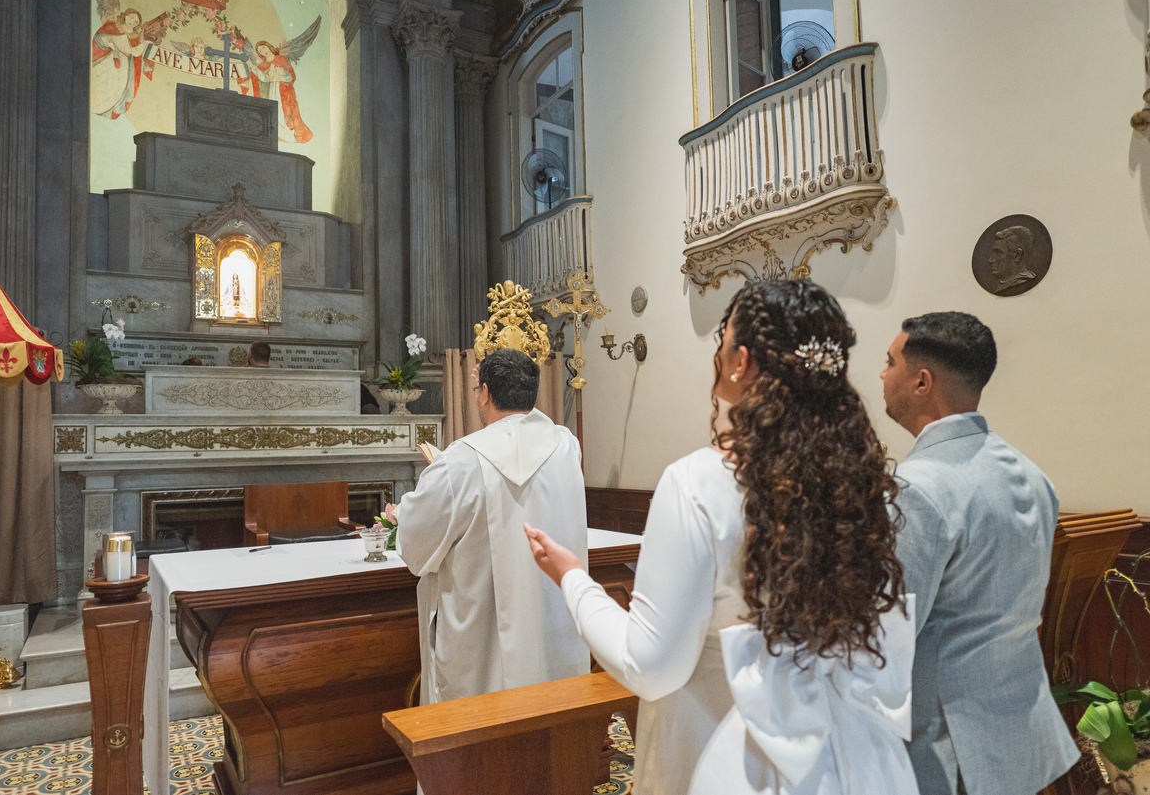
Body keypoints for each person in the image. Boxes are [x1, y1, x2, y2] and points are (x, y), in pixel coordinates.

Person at [526, 280, 918, 795]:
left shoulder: (698, 483)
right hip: (848, 754)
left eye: (722, 340)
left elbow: (650, 667)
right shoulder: (863, 485)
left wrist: (573, 580)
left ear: (740, 361)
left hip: (726, 754)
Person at [880, 312, 1078, 795]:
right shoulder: (1030, 472)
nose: (882, 374)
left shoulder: (916, 488)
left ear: (922, 382)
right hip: (1020, 729)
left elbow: (886, 633)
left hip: (949, 745)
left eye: (889, 362)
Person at [397, 348, 588, 705]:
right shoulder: (566, 446)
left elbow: (414, 545)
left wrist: (403, 513)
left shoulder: (460, 460)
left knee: (485, 710)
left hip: (482, 641)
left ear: (484, 392)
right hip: (553, 623)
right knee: (554, 703)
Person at [987, 226, 1037, 293]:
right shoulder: (1003, 286)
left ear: (1017, 255)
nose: (991, 260)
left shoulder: (1026, 285)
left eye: (998, 252)